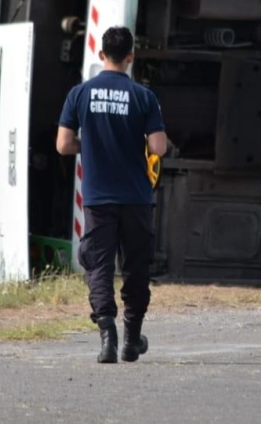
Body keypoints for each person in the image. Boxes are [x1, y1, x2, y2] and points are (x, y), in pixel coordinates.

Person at [56, 26, 167, 363]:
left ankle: (107, 335)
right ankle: (132, 339)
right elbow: (158, 147)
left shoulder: (79, 94)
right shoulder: (144, 96)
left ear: (101, 55)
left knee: (99, 264)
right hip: (135, 197)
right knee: (135, 266)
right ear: (130, 57)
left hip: (97, 198)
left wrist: (88, 145)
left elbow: (63, 145)